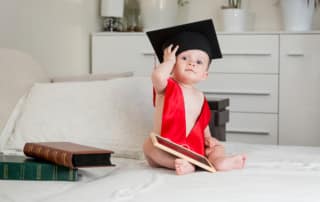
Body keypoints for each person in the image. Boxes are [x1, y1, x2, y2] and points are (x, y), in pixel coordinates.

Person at [143, 19, 246, 175]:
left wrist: (209, 139)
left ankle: (219, 161)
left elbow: (203, 123)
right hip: (168, 147)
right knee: (149, 145)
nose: (192, 63)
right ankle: (178, 164)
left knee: (217, 147)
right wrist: (168, 61)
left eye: (199, 61)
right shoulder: (166, 87)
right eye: (184, 58)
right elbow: (157, 76)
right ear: (172, 67)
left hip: (194, 149)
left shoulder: (200, 96)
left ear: (205, 75)